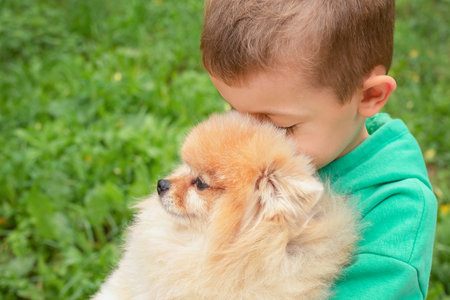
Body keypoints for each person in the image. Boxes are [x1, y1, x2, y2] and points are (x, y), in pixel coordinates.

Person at [200, 0, 437, 299]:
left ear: (370, 96)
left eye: (281, 126)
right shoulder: (288, 113)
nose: (249, 138)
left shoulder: (396, 210)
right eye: (235, 110)